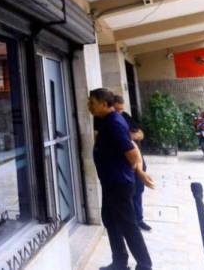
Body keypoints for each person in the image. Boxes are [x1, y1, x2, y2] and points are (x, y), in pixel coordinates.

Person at [89, 88, 155, 270]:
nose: (89, 106)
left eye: (92, 102)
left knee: (128, 225)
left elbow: (132, 151)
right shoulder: (107, 120)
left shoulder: (114, 124)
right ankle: (119, 262)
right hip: (111, 182)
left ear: (104, 104)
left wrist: (139, 171)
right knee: (110, 221)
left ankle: (144, 265)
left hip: (118, 183)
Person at [113, 95, 151, 232]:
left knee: (138, 189)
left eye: (121, 109)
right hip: (122, 163)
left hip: (137, 158)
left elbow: (140, 134)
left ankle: (139, 219)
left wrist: (128, 136)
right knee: (126, 192)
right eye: (117, 109)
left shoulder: (125, 116)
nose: (120, 112)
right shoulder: (106, 120)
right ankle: (128, 221)